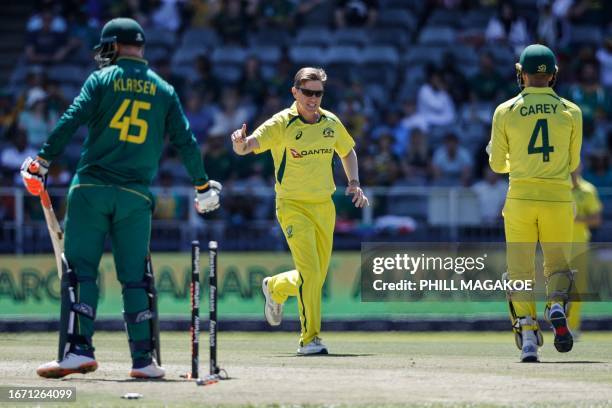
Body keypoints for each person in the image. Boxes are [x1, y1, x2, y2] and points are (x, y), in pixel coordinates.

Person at [20, 18, 221, 379]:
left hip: (92, 189)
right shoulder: (163, 90)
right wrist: (202, 186)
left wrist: (42, 160)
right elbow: (187, 141)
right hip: (135, 195)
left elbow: (71, 118)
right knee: (136, 277)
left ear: (113, 45)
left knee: (81, 270)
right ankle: (144, 361)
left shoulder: (101, 79)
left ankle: (79, 351)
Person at [230, 67, 368, 355]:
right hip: (292, 207)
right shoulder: (282, 123)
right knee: (310, 272)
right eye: (307, 92)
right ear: (295, 92)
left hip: (323, 207)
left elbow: (348, 151)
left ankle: (276, 287)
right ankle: (310, 339)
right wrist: (240, 144)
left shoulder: (330, 122)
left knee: (315, 277)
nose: (313, 98)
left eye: (318, 93)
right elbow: (250, 145)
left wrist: (354, 182)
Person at [488, 44, 582, 362]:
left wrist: (512, 158)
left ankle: (528, 337)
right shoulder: (572, 111)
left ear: (521, 74)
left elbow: (497, 166)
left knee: (520, 271)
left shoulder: (505, 111)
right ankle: (556, 305)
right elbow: (572, 163)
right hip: (557, 197)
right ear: (553, 75)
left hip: (520, 198)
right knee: (557, 266)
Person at [568, 165, 603, 335]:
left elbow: (596, 220)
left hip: (579, 246)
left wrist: (576, 219)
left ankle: (572, 327)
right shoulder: (557, 189)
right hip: (556, 245)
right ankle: (559, 325)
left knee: (577, 288)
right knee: (556, 286)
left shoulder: (588, 190)